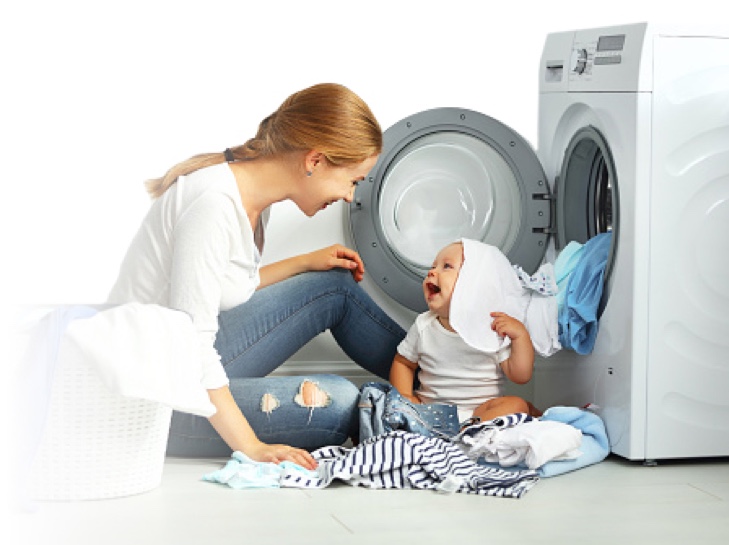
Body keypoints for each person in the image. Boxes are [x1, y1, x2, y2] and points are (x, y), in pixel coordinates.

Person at [108, 83, 406, 470]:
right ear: (315, 160)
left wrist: (303, 262)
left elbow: (222, 288)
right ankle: (420, 412)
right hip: (155, 399)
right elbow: (193, 342)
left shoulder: (250, 199)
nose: (351, 196)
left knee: (333, 285)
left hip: (180, 364)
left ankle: (445, 385)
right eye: (353, 180)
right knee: (338, 400)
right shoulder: (213, 205)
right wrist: (250, 446)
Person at [389, 240, 542, 425]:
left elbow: (520, 376)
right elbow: (403, 363)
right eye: (433, 266)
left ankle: (470, 430)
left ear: (474, 283)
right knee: (387, 404)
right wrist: (405, 397)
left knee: (516, 405)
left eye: (446, 266)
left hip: (481, 412)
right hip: (431, 411)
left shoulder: (491, 327)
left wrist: (520, 336)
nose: (432, 272)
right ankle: (453, 432)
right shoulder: (424, 325)